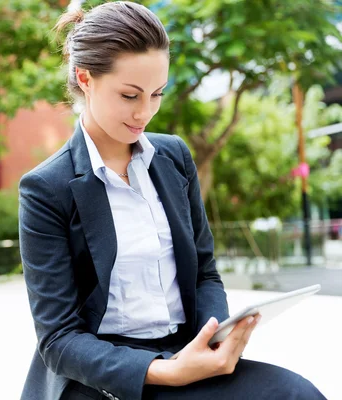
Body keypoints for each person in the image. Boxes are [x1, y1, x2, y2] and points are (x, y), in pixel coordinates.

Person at [18, 2, 326, 400]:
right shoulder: (47, 188)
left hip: (184, 351)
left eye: (157, 93)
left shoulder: (173, 158)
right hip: (102, 377)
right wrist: (165, 372)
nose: (144, 112)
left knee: (296, 394)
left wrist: (214, 338)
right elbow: (58, 339)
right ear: (86, 78)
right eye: (129, 95)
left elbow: (204, 273)